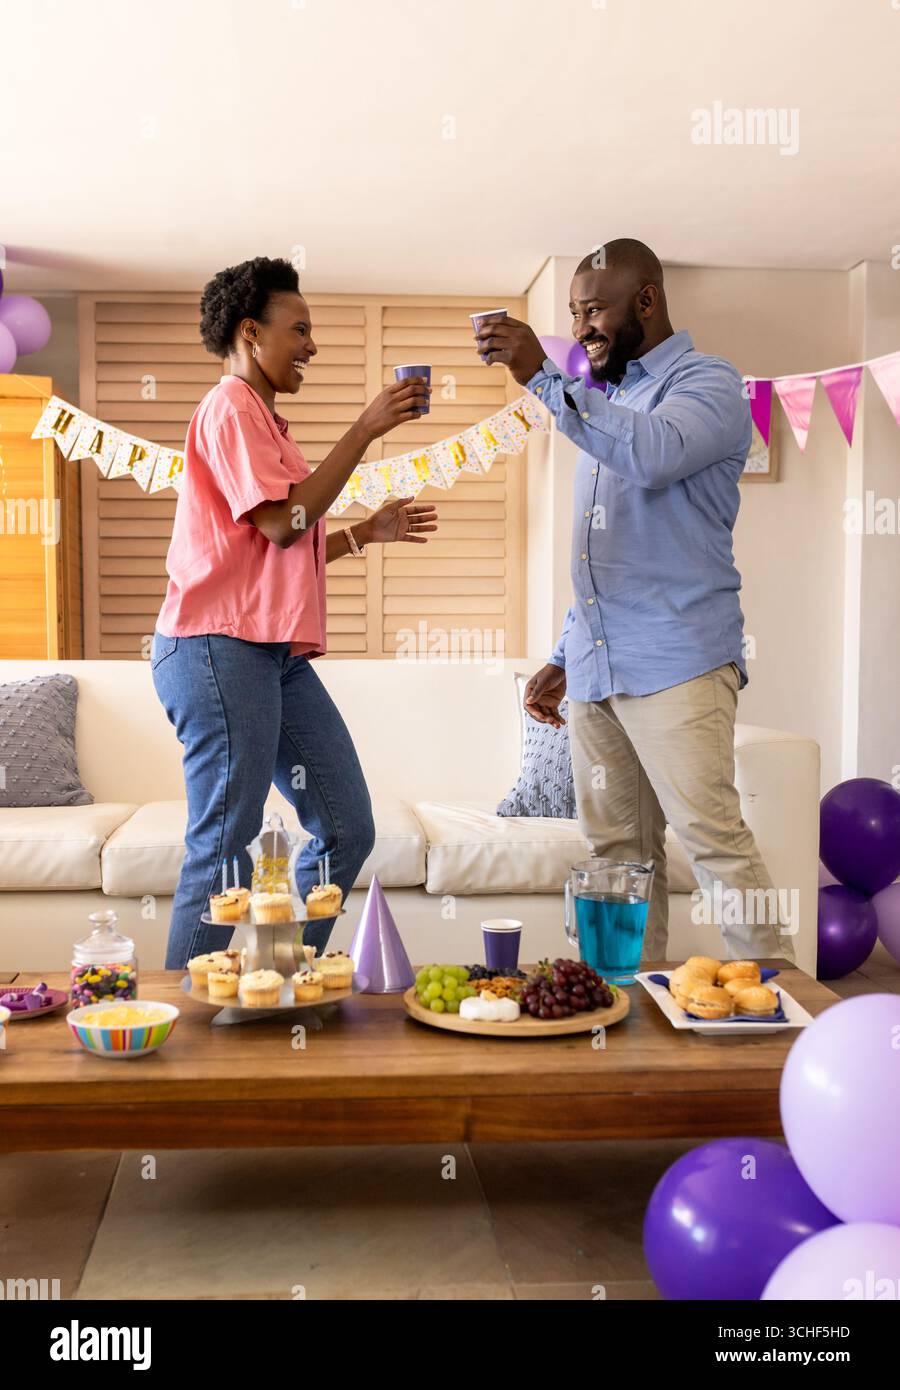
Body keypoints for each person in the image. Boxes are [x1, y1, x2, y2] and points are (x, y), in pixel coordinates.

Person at [474, 238, 793, 962]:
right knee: (616, 856)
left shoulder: (709, 385)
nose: (583, 326)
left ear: (646, 300)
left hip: (678, 660)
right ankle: (626, 1020)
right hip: (596, 668)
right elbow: (601, 556)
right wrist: (562, 654)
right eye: (574, 312)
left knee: (714, 843)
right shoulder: (604, 404)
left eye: (595, 309)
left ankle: (781, 1022)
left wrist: (544, 379)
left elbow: (653, 455)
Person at [152, 256, 436, 968]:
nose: (311, 344)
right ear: (251, 332)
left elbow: (275, 547)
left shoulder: (268, 424)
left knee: (346, 829)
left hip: (267, 654)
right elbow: (283, 523)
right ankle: (184, 1030)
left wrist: (363, 535)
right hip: (216, 651)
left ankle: (279, 979)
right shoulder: (229, 408)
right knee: (223, 844)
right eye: (299, 329)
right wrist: (365, 429)